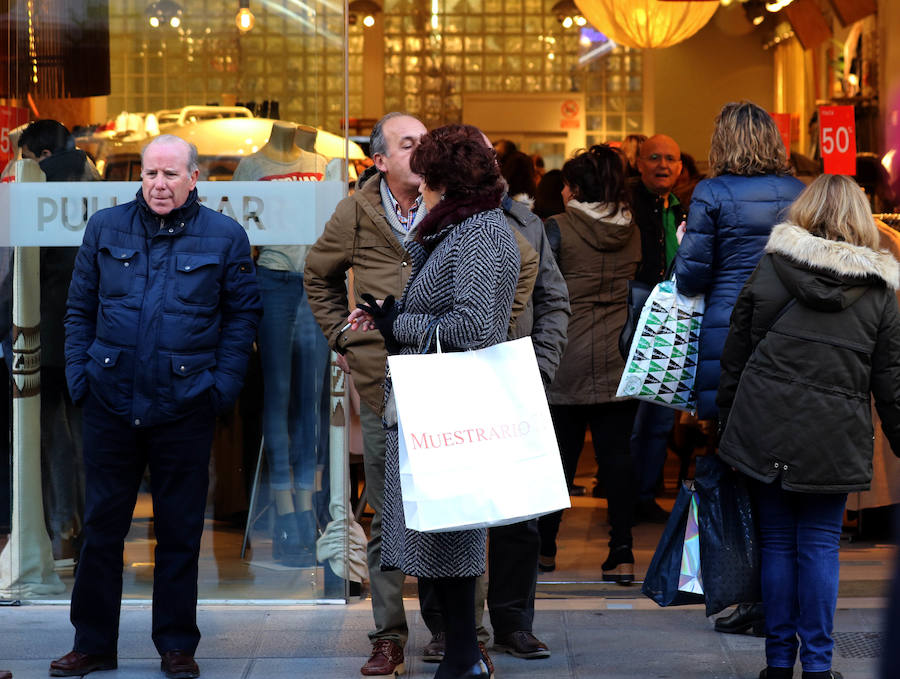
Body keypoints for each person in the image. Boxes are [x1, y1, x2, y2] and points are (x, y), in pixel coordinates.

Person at [306, 113, 537, 677]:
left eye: (428, 172)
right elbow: (323, 276)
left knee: (455, 530)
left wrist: (396, 324)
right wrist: (368, 331)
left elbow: (477, 328)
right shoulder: (455, 228)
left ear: (445, 182)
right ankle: (455, 652)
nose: (421, 182)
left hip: (452, 402)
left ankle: (463, 655)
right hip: (421, 397)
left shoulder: (481, 233)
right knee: (432, 530)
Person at [51, 135, 262, 679]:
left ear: (194, 178)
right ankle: (92, 644)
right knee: (102, 531)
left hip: (185, 404)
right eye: (149, 174)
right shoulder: (105, 227)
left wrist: (221, 388)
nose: (159, 184)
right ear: (139, 178)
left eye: (170, 174)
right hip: (111, 402)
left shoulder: (225, 236)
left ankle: (176, 645)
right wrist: (81, 377)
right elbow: (79, 309)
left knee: (179, 532)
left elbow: (242, 320)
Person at [717, 174, 900, 679]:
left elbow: (737, 352)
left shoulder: (772, 268)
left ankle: (778, 665)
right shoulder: (880, 290)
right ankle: (818, 668)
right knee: (818, 546)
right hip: (834, 434)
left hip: (764, 422)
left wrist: (724, 426)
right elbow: (891, 381)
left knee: (777, 542)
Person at [418, 133, 570, 664]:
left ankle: (512, 623)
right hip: (449, 386)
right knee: (450, 507)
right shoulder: (432, 224)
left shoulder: (525, 224)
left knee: (516, 516)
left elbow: (555, 301)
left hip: (511, 384)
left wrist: (540, 370)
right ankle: (448, 631)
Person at [674, 101, 805, 636]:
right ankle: (784, 600)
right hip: (793, 335)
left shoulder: (711, 193)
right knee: (785, 470)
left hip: (730, 340)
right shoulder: (802, 193)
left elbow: (691, 277)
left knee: (738, 463)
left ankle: (754, 598)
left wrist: (685, 245)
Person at [305, 112, 428, 677]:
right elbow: (318, 273)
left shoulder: (451, 201)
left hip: (448, 377)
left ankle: (463, 633)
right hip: (384, 383)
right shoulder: (358, 209)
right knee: (388, 515)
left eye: (425, 141)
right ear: (379, 160)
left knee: (458, 511)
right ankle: (388, 635)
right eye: (408, 144)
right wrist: (344, 336)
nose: (420, 150)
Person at [538, 145, 640, 582]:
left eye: (567, 184)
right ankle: (622, 551)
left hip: (566, 357)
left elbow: (538, 292)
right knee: (617, 460)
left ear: (577, 189)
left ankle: (544, 548)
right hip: (620, 358)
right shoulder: (633, 229)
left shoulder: (556, 229)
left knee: (558, 459)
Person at [233, 121, 329, 567]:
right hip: (271, 280)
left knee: (310, 400)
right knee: (278, 396)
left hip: (314, 283)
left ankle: (308, 505)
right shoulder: (252, 167)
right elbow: (237, 237)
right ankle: (285, 511)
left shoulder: (321, 164)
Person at [17, 120, 100, 564]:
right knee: (90, 434)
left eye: (26, 157)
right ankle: (93, 531)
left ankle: (62, 530)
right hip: (94, 335)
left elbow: (26, 264)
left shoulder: (39, 188)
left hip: (47, 330)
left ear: (43, 155)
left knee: (53, 436)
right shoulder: (100, 184)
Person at [628, 134, 687, 525]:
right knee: (634, 414)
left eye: (670, 158)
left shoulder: (685, 209)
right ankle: (627, 495)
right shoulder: (627, 207)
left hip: (674, 312)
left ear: (680, 167)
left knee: (662, 411)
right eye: (654, 158)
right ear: (639, 163)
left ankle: (645, 494)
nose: (663, 165)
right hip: (635, 310)